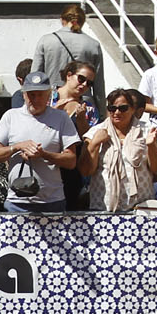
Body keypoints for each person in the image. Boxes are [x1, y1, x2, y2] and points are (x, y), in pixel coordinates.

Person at [0, 70, 77, 213]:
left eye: (40, 94)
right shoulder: (10, 116)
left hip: (52, 201)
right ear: (23, 94)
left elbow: (71, 160)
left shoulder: (61, 118)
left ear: (48, 95)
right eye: (31, 94)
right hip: (17, 203)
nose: (35, 99)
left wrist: (43, 154)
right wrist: (17, 147)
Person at [83, 87, 157, 213]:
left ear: (132, 109)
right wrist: (94, 144)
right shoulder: (95, 132)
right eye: (112, 108)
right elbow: (85, 170)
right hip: (104, 209)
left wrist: (152, 146)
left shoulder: (147, 131)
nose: (117, 112)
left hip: (141, 209)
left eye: (123, 108)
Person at [53, 61, 99, 206]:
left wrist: (81, 121)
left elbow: (90, 139)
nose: (84, 85)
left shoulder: (89, 108)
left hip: (73, 169)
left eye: (89, 83)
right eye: (81, 79)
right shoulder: (47, 98)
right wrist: (54, 113)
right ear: (69, 75)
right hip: (47, 164)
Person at [36, 5, 104, 86]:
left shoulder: (46, 40)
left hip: (53, 96)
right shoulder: (94, 44)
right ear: (83, 21)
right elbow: (98, 82)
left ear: (62, 20)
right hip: (82, 96)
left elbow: (35, 76)